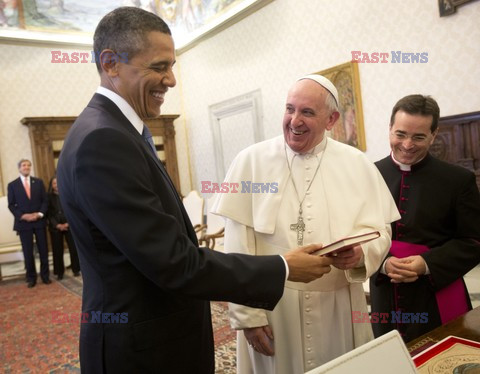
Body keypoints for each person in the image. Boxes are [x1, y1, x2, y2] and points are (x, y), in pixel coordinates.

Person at [56, 7, 332, 373]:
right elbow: (174, 263)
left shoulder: (113, 130)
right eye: (159, 66)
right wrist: (283, 267)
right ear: (111, 63)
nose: (171, 80)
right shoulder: (104, 140)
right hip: (143, 353)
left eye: (172, 66)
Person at [211, 74, 400, 373]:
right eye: (289, 109)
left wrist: (361, 254)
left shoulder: (356, 163)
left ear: (332, 118)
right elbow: (237, 245)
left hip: (337, 306)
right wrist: (248, 317)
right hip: (272, 304)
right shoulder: (251, 161)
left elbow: (380, 230)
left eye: (307, 112)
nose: (294, 120)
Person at [370, 94, 480, 343]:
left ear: (434, 134)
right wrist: (384, 263)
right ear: (389, 129)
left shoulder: (458, 180)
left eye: (419, 137)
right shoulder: (368, 174)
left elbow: (474, 241)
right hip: (384, 289)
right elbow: (353, 233)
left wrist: (426, 263)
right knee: (390, 360)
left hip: (436, 291)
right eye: (400, 134)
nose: (408, 144)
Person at [7, 159, 50, 288]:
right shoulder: (12, 185)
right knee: (28, 251)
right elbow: (11, 205)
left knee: (43, 250)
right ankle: (31, 278)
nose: (26, 167)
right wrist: (23, 216)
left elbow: (45, 201)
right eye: (24, 165)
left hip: (39, 221)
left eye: (28, 165)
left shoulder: (38, 182)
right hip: (23, 223)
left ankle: (45, 276)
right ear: (19, 168)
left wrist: (40, 214)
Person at [47, 176, 80, 280]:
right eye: (54, 183)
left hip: (69, 224)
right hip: (55, 226)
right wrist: (57, 225)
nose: (56, 185)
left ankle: (76, 269)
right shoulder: (48, 197)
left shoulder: (68, 194)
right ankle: (59, 272)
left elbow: (73, 209)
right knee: (57, 250)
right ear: (51, 186)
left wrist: (68, 223)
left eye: (58, 183)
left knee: (73, 248)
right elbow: (48, 214)